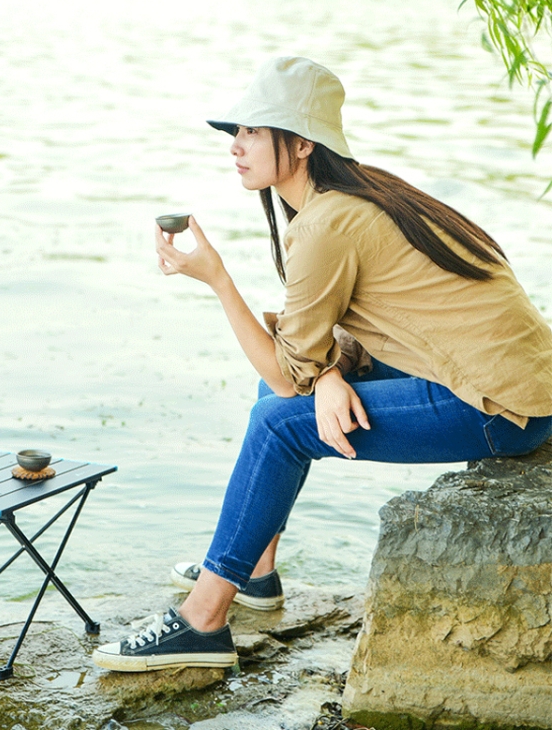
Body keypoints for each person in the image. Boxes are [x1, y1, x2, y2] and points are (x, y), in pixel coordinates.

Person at [92, 56, 552, 672]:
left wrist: (217, 278)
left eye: (254, 130)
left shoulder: (329, 221)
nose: (236, 145)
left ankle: (204, 620)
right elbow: (325, 341)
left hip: (500, 406)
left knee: (276, 421)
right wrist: (329, 374)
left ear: (303, 143)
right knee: (280, 390)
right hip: (495, 378)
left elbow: (290, 374)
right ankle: (253, 572)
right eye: (235, 131)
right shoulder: (357, 194)